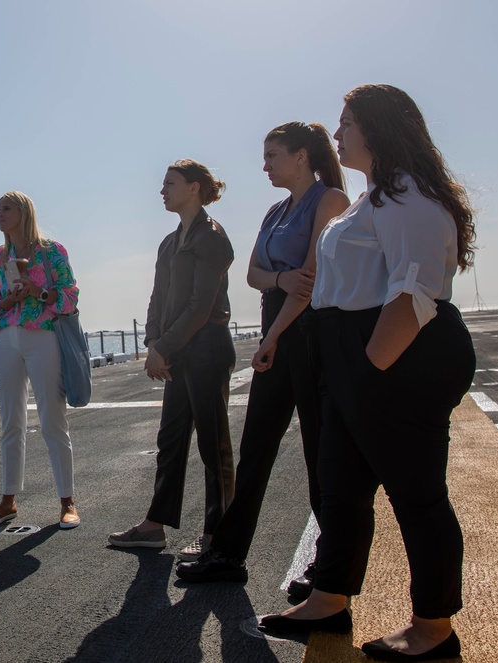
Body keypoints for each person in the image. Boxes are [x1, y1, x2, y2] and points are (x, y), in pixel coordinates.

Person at [257, 85, 476, 663]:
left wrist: (368, 370)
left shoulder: (408, 197)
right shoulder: (372, 198)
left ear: (378, 128)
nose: (337, 134)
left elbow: (417, 291)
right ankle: (329, 597)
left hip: (393, 353)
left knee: (417, 494)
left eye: (347, 122)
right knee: (341, 486)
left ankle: (433, 628)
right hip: (353, 352)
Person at [176, 123, 348, 587]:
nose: (265, 164)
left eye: (273, 155)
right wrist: (279, 281)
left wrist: (271, 335)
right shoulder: (275, 211)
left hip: (309, 334)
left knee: (319, 453)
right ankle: (229, 555)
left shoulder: (329, 199)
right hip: (279, 326)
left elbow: (310, 281)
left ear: (302, 155)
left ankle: (327, 565)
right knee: (256, 446)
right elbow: (253, 273)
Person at [109, 159, 235, 555]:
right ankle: (154, 526)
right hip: (177, 351)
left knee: (213, 445)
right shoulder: (169, 242)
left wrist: (165, 346)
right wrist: (153, 343)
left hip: (207, 347)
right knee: (171, 439)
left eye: (170, 183)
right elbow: (157, 300)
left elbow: (201, 306)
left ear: (195, 187)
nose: (163, 190)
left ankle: (218, 533)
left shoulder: (211, 237)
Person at [0, 191, 81, 530]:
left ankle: (67, 501)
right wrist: (11, 299)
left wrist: (36, 292)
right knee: (11, 419)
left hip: (44, 336)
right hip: (6, 337)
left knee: (52, 418)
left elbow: (69, 295)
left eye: (6, 208)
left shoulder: (52, 252)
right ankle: (8, 500)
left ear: (24, 212)